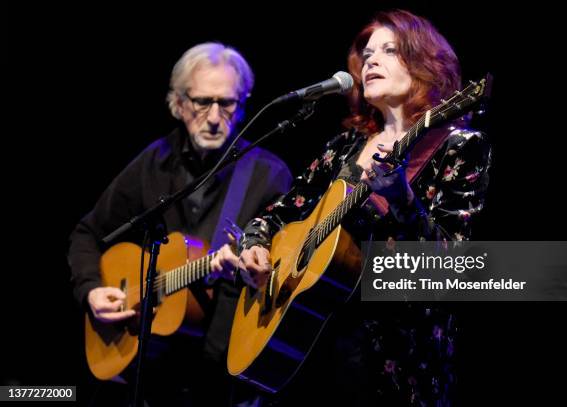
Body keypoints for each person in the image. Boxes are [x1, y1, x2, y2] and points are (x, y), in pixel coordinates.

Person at [238, 9, 492, 406]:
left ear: (425, 63)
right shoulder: (343, 147)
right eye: (367, 54)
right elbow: (276, 215)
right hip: (311, 356)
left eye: (389, 50)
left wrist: (404, 203)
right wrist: (253, 246)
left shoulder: (457, 146)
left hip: (393, 362)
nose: (371, 60)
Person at [68, 42, 292, 406]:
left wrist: (256, 269)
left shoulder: (269, 175)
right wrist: (92, 289)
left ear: (244, 103)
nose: (215, 117)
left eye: (227, 103)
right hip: (150, 372)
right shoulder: (154, 162)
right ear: (179, 103)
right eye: (203, 102)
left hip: (221, 376)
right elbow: (88, 234)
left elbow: (283, 277)